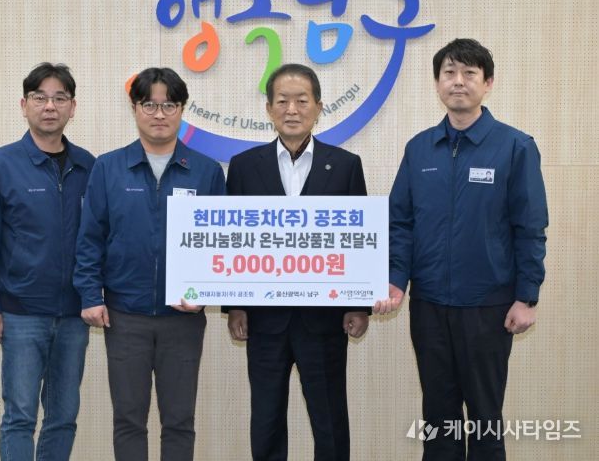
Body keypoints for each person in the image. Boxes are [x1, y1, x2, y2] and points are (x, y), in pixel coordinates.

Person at [386, 38, 548, 460]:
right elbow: (400, 222)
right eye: (449, 73)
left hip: (488, 307)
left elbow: (530, 228)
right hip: (429, 306)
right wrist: (395, 280)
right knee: (438, 419)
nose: (458, 82)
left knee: (484, 419)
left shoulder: (515, 147)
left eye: (469, 73)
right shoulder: (419, 148)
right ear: (437, 83)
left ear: (487, 83)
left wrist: (527, 296)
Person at [73, 67, 226, 461]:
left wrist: (206, 293)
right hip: (125, 316)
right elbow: (90, 239)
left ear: (182, 109)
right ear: (135, 108)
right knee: (128, 420)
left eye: (169, 105)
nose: (159, 114)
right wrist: (90, 296)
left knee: (179, 421)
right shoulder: (108, 168)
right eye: (149, 105)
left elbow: (221, 246)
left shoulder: (207, 171)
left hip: (183, 319)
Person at [224, 63, 370, 461]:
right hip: (263, 319)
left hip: (324, 318)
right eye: (282, 101)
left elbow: (358, 241)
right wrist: (235, 305)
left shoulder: (346, 165)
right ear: (269, 109)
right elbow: (232, 240)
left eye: (302, 101)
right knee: (266, 417)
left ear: (318, 108)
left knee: (329, 418)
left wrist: (358, 304)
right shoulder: (244, 166)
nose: (292, 109)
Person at [0, 63, 95, 460]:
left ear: (73, 107)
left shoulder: (88, 166)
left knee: (63, 416)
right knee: (20, 416)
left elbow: (98, 239)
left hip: (74, 314)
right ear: (24, 105)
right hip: (20, 312)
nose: (49, 106)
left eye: (59, 98)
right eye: (40, 98)